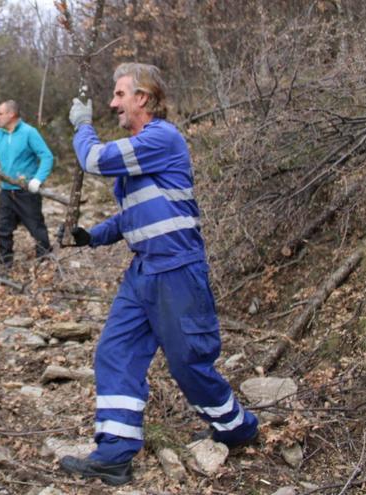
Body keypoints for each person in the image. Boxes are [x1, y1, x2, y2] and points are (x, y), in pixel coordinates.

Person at [58, 63, 259, 486]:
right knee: (115, 352)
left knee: (189, 365)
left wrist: (81, 125)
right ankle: (114, 452)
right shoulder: (142, 146)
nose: (113, 103)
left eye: (118, 94)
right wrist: (90, 237)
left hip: (176, 269)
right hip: (143, 271)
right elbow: (134, 216)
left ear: (143, 99)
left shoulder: (161, 139)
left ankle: (236, 427)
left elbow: (94, 159)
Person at [0, 100, 55, 267]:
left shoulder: (29, 133)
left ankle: (44, 266)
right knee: (3, 231)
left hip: (26, 192)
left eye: (0, 114)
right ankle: (5, 267)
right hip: (6, 192)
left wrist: (38, 179)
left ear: (11, 114)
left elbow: (47, 156)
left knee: (37, 230)